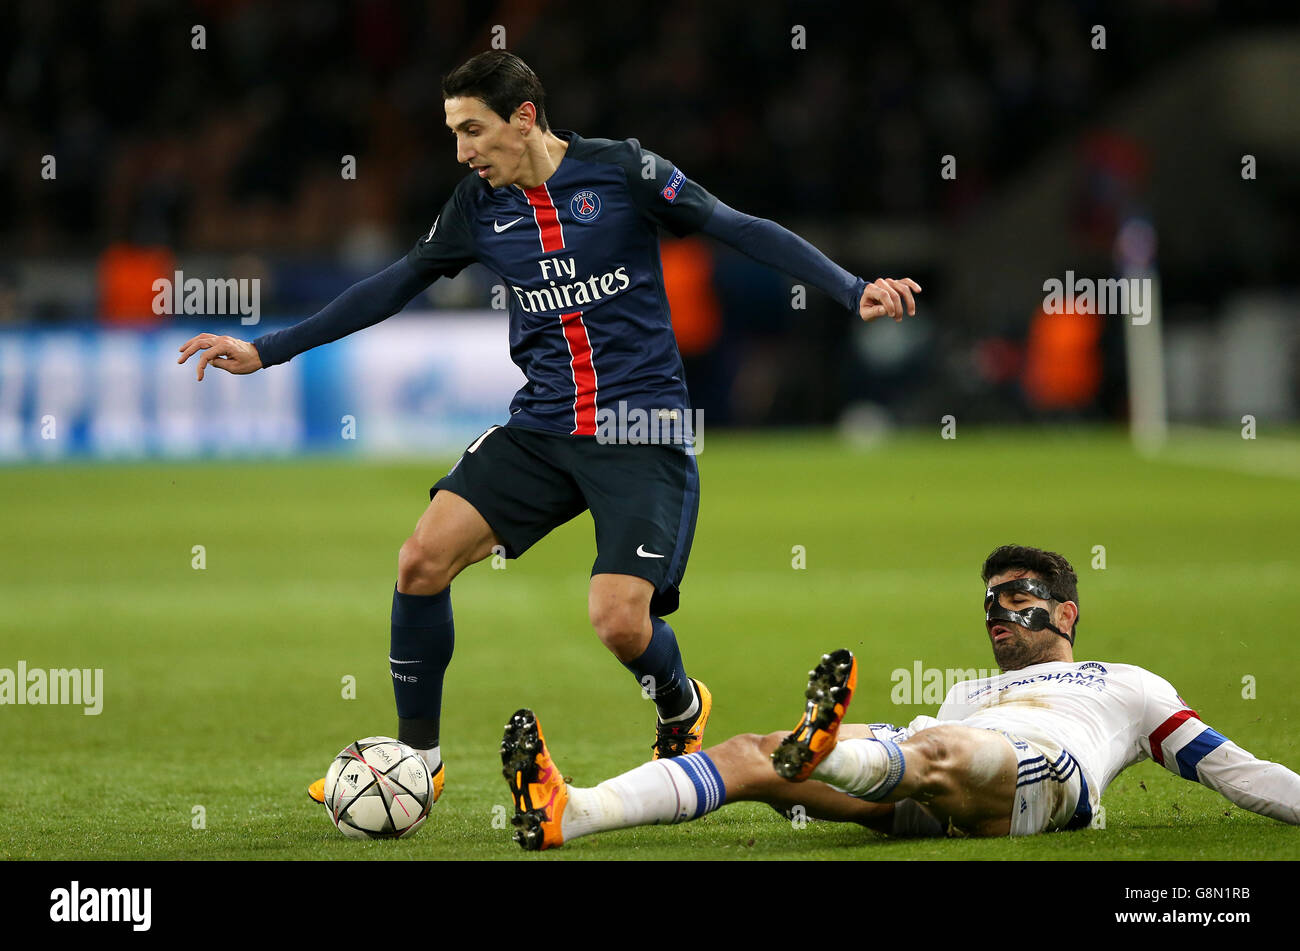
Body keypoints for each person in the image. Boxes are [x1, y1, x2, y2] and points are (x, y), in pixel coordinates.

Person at [176, 51, 921, 805]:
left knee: (618, 621)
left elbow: (738, 227)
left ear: (524, 118)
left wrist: (851, 287)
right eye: (453, 133)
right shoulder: (475, 206)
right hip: (542, 426)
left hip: (640, 426)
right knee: (420, 562)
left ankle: (678, 702)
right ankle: (418, 759)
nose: (462, 152)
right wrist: (268, 348)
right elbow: (395, 282)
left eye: (473, 130)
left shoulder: (624, 172)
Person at [501, 544, 1300, 849]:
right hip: (925, 776)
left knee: (935, 751)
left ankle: (833, 750)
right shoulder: (968, 688)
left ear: (1066, 612)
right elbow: (920, 781)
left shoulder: (1124, 685)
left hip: (1041, 776)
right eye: (988, 600)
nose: (997, 612)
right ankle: (577, 809)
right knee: (750, 753)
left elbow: (1235, 767)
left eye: (1016, 596)